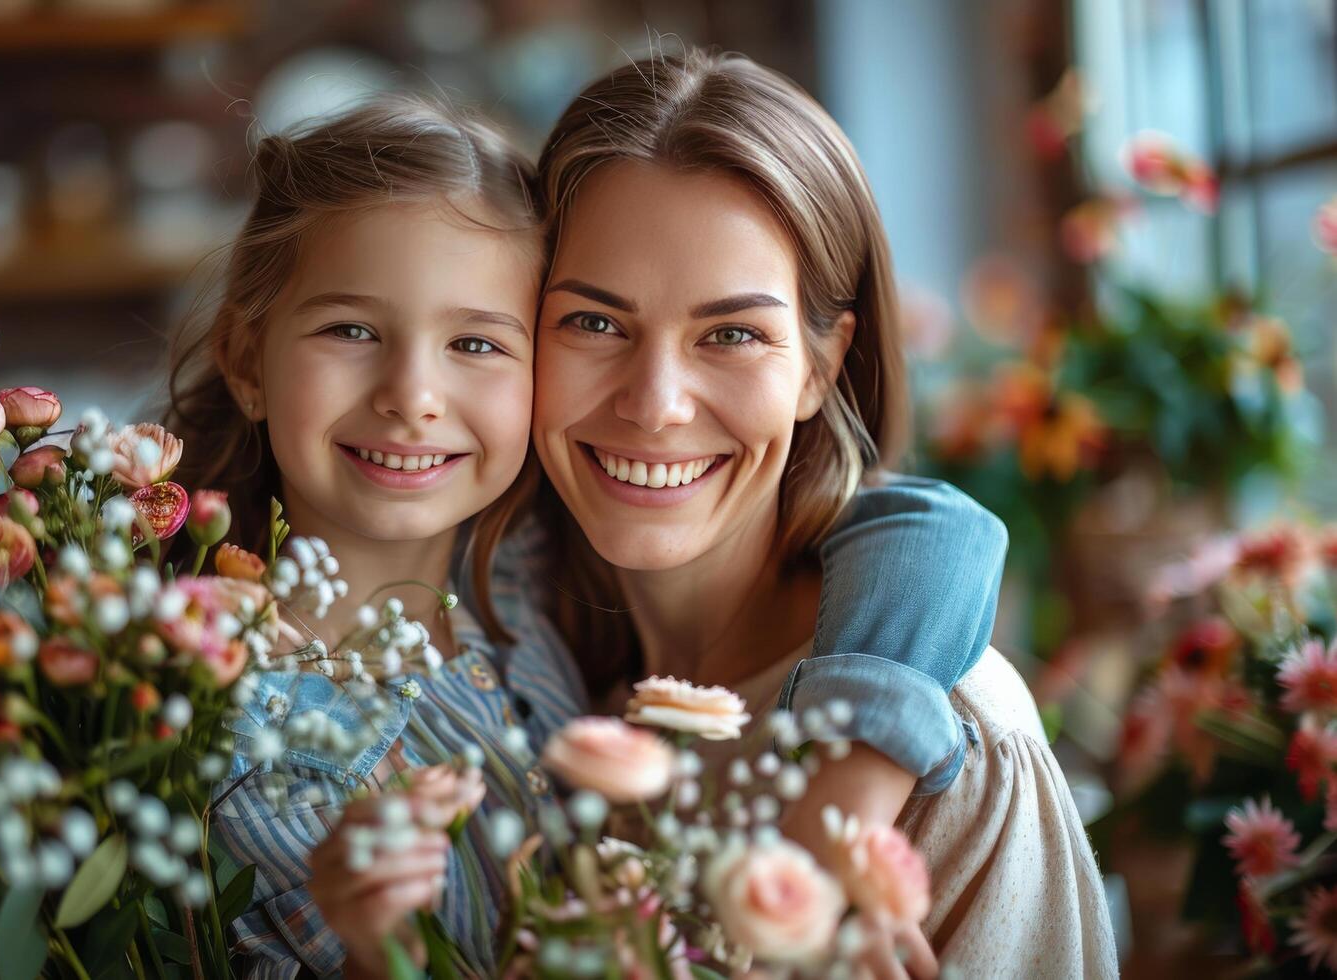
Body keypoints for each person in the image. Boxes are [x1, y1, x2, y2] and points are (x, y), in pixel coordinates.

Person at [166, 91, 1006, 978]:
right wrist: (386, 951)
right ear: (247, 360)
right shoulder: (246, 736)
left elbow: (937, 529)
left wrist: (837, 803)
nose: (411, 396)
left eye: (478, 344)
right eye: (350, 330)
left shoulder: (522, 553)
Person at [524, 48, 1119, 976]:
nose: (654, 403)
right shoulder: (535, 691)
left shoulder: (951, 743)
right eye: (594, 322)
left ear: (822, 364)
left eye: (731, 335)